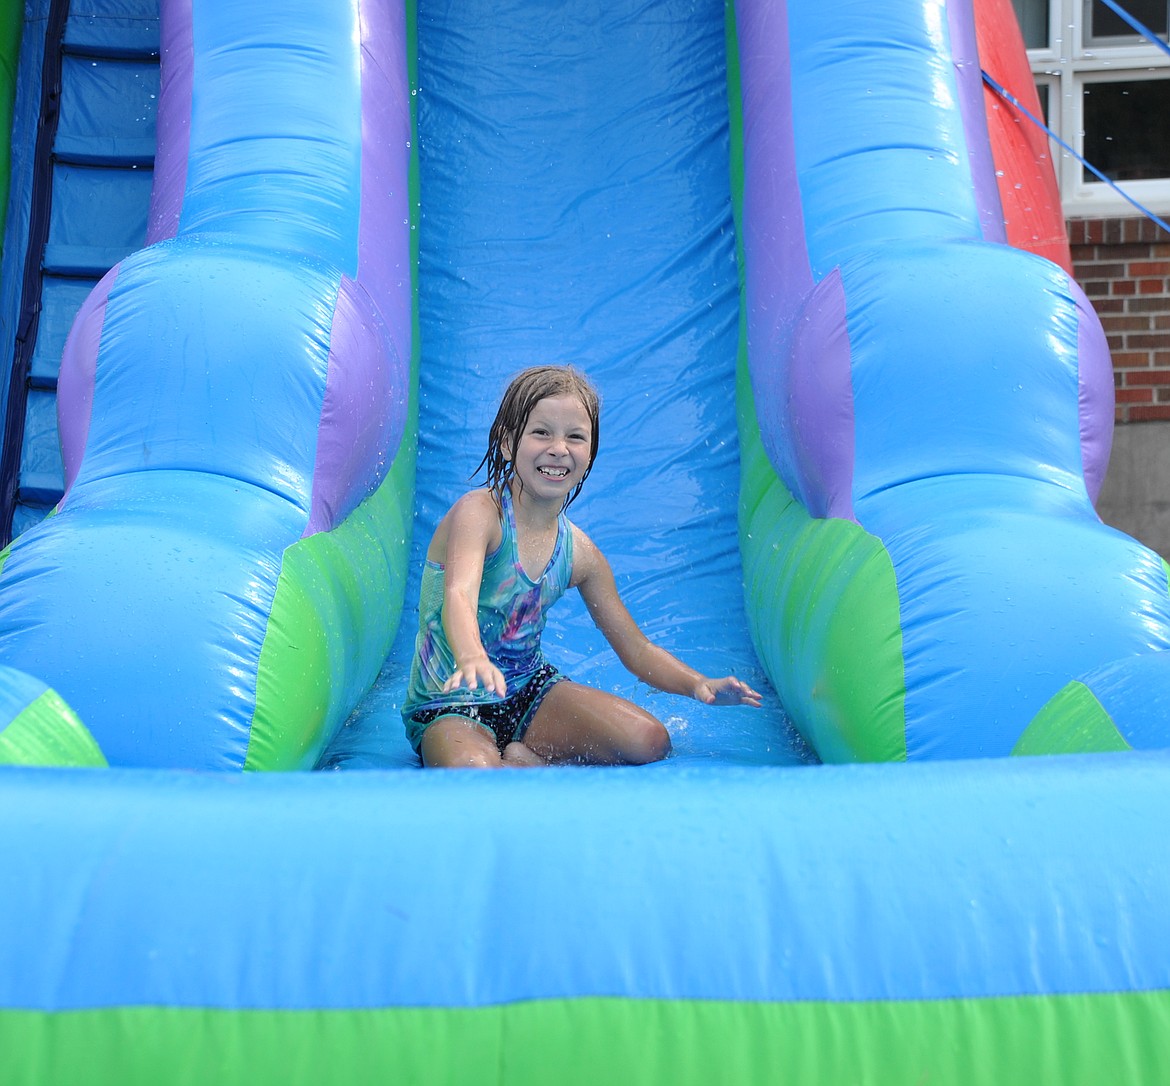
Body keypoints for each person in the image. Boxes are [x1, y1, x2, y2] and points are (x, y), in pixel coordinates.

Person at [401, 364, 761, 768]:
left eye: (575, 437)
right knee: (474, 773)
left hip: (527, 693)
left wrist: (699, 684)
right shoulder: (481, 514)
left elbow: (636, 649)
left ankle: (520, 759)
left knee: (649, 740)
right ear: (507, 443)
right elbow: (459, 594)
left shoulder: (579, 553)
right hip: (451, 700)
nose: (559, 448)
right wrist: (471, 657)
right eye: (541, 432)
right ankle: (519, 764)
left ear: (589, 454)